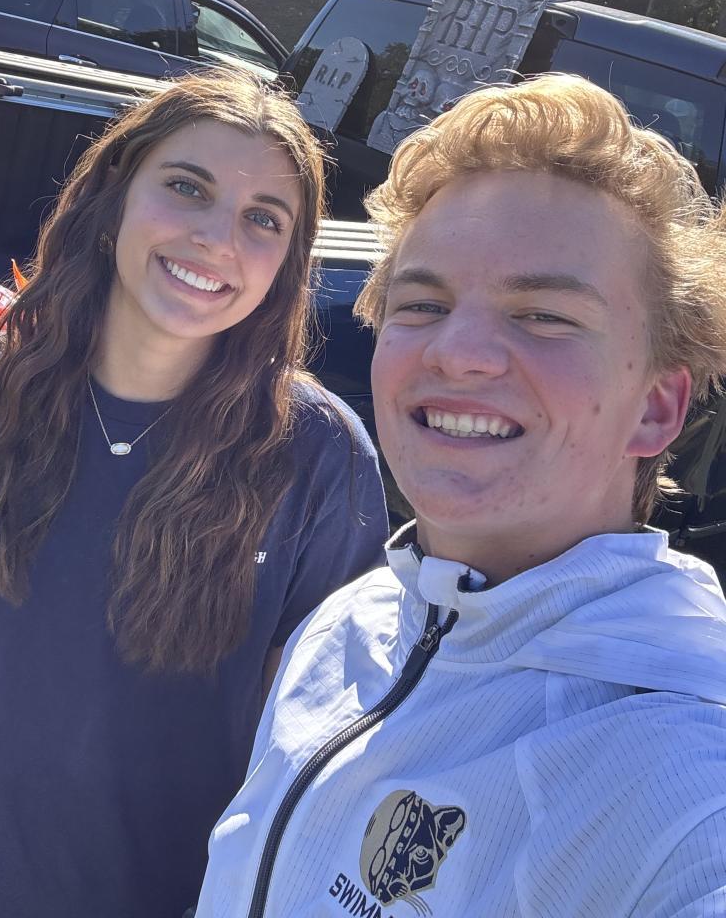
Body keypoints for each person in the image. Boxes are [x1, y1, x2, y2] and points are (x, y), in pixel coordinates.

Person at [0, 68, 389, 918]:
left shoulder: (318, 457)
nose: (217, 238)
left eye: (264, 218)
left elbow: (299, 757)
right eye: (187, 187)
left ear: (287, 262)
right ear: (114, 195)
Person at [195, 73, 726, 918]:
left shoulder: (680, 775)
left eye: (544, 315)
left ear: (657, 407)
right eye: (423, 303)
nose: (459, 350)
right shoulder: (347, 626)